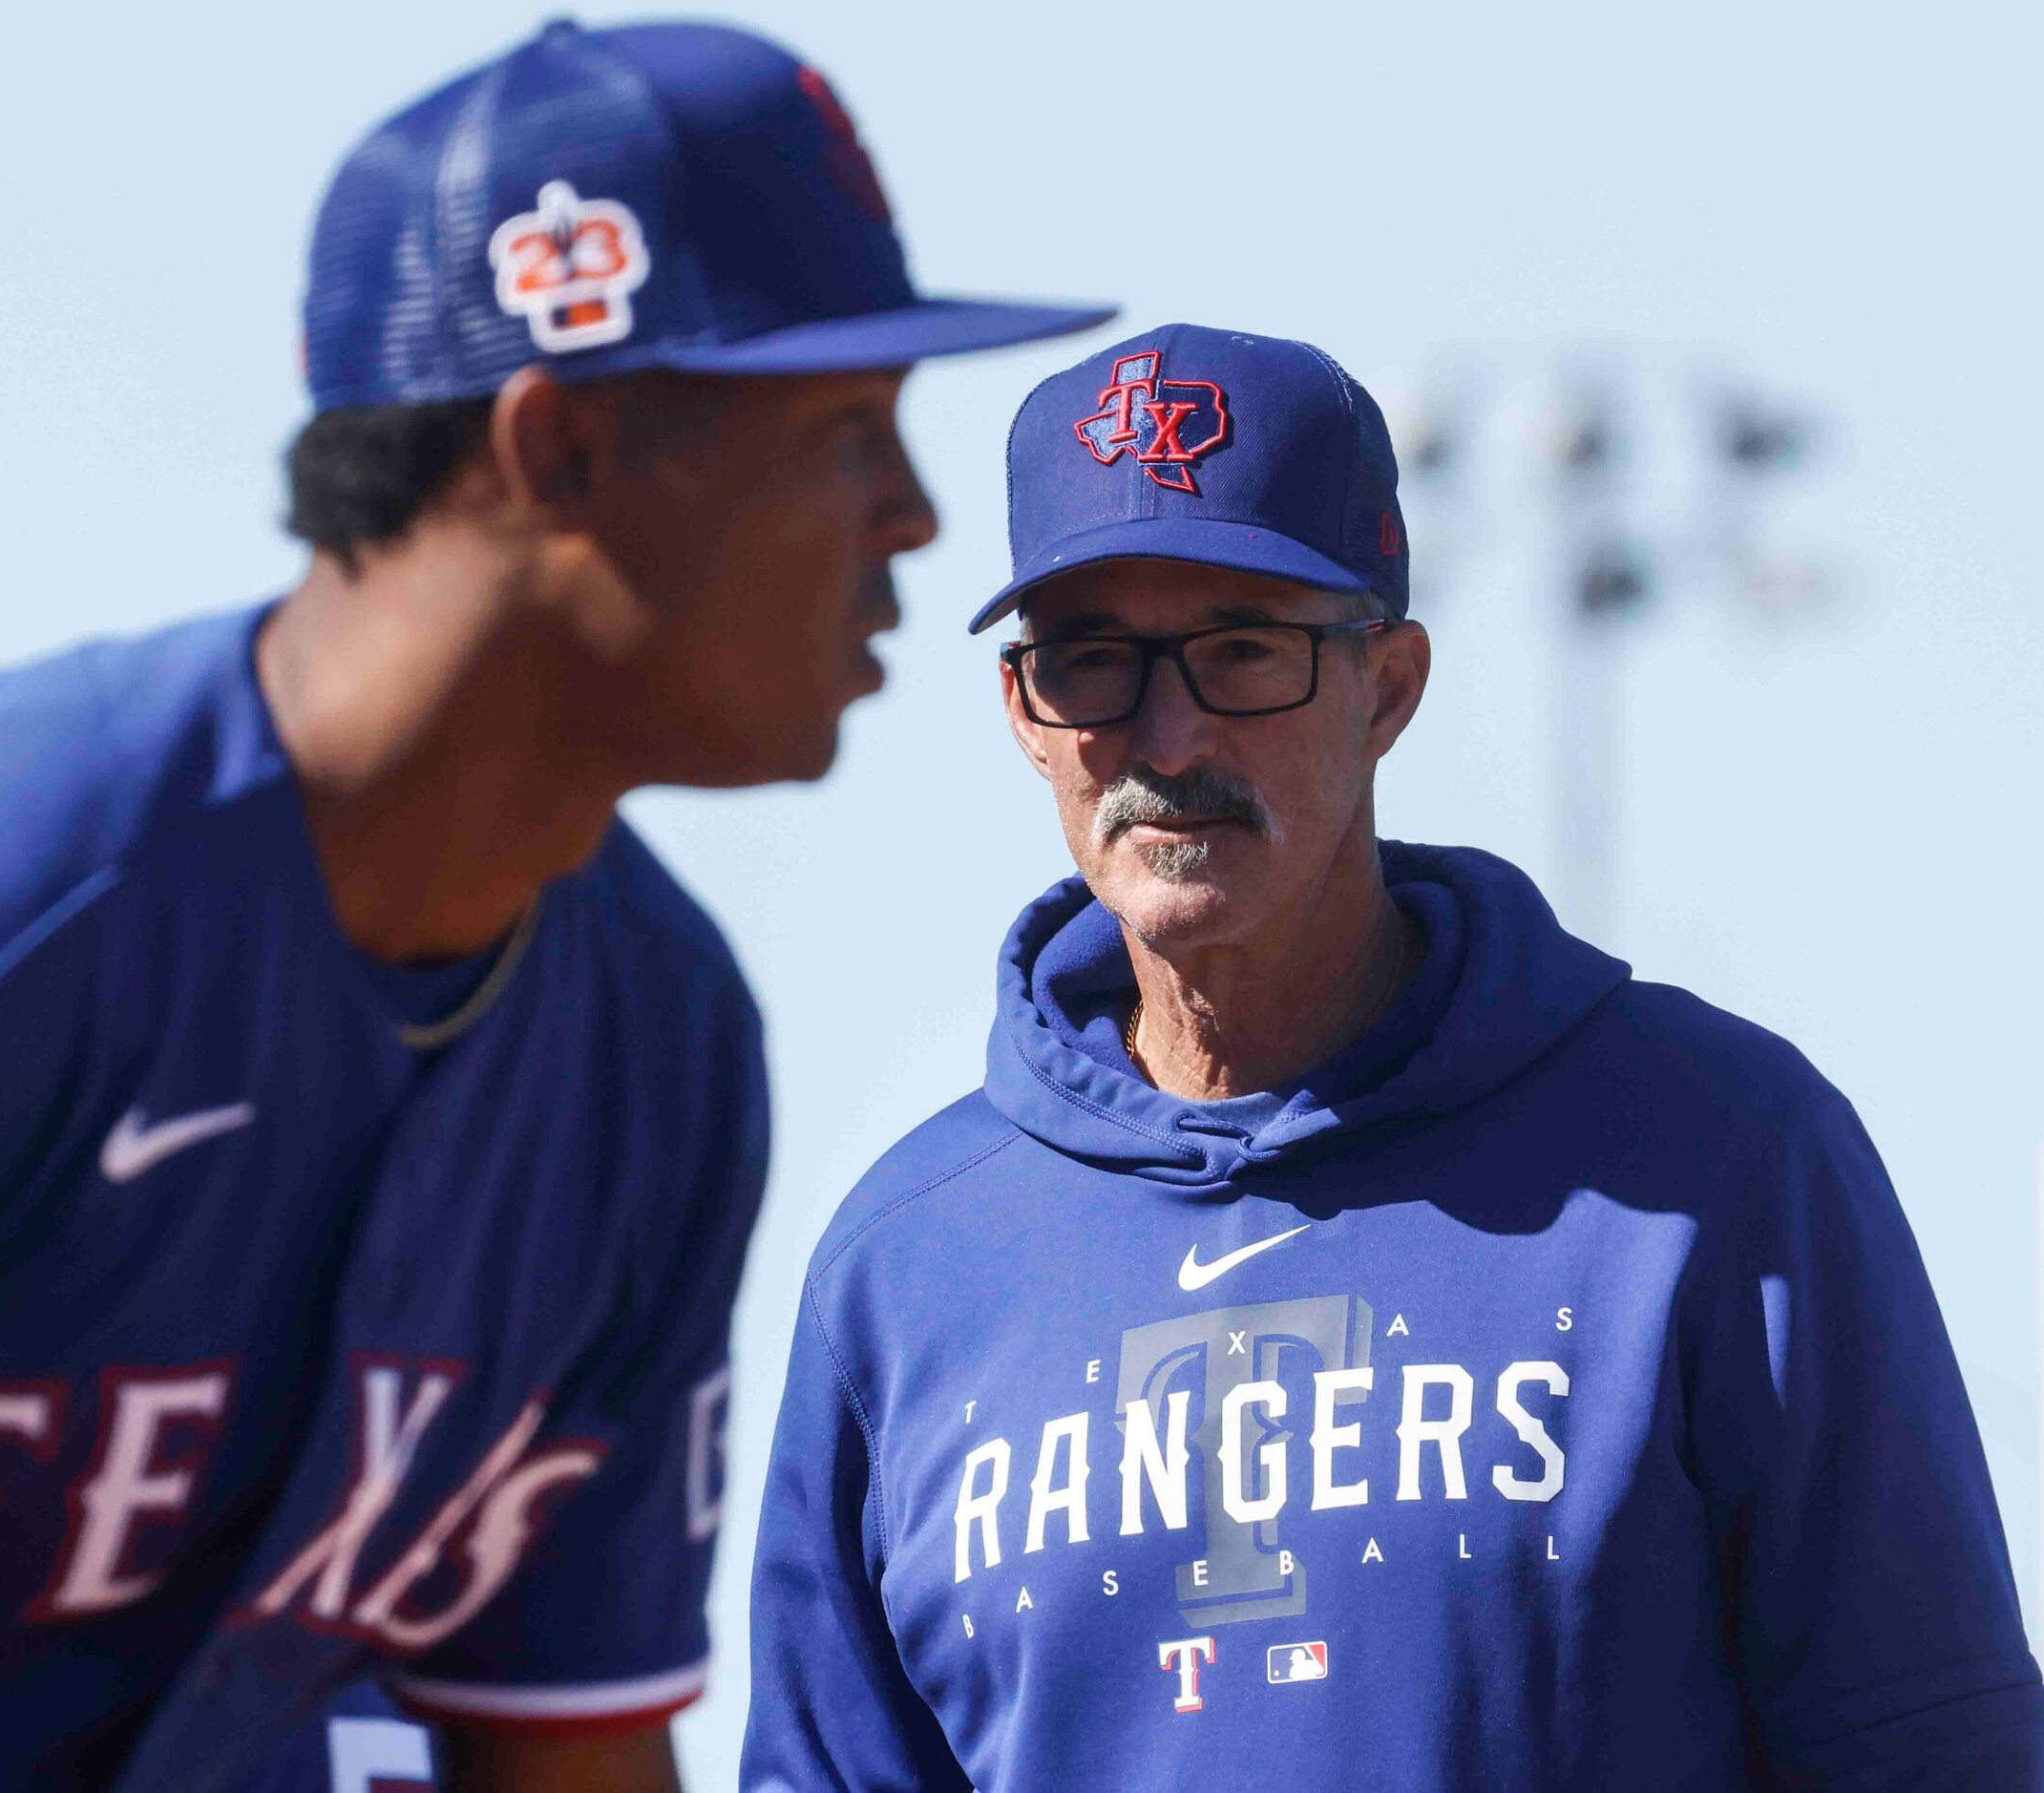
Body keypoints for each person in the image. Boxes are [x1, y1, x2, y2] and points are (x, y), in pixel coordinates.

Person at [0, 22, 1110, 1791]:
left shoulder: (656, 1047)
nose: (910, 515)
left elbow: (560, 1745)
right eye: (837, 426)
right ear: (558, 446)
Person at [741, 323, 2043, 1790]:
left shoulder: (1717, 1155)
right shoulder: (906, 1265)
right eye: (1094, 664)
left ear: (1389, 687)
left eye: (1241, 651)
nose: (1164, 735)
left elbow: (1937, 1755)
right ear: (1023, 717)